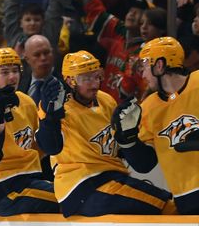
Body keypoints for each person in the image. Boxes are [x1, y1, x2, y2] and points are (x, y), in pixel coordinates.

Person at [36, 50, 173, 216]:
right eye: (86, 78)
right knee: (167, 206)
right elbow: (50, 147)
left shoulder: (105, 99)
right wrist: (50, 118)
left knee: (165, 204)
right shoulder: (56, 106)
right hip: (81, 186)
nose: (94, 84)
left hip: (111, 178)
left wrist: (128, 136)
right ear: (70, 80)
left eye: (96, 76)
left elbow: (119, 150)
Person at [0, 48, 59, 221]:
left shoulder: (26, 101)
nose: (11, 77)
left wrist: (51, 117)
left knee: (66, 193)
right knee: (66, 199)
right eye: (4, 72)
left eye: (15, 71)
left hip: (26, 181)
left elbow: (39, 148)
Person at [112, 37, 199, 214]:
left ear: (159, 65)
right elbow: (145, 164)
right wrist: (128, 139)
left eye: (144, 65)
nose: (142, 74)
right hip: (186, 199)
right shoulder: (148, 107)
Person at [72, 0, 149, 102]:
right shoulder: (119, 30)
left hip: (126, 112)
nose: (132, 14)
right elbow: (96, 11)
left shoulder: (147, 51)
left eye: (138, 12)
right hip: (102, 103)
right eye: (131, 10)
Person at [18, 35, 60, 101]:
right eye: (37, 55)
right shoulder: (19, 85)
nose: (43, 58)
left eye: (46, 53)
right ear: (27, 59)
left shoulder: (66, 83)